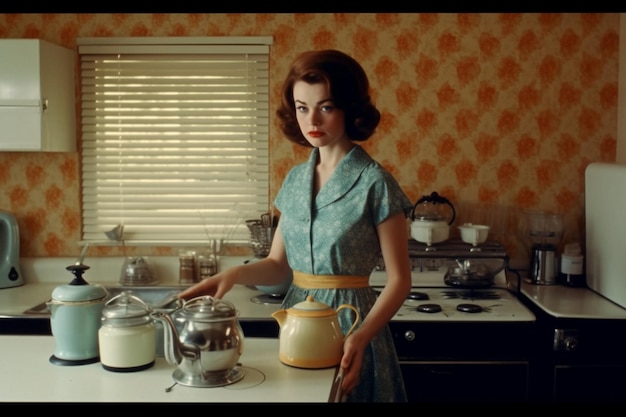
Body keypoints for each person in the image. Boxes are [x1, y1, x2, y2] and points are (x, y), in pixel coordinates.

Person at [178, 49, 413, 402]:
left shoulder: (375, 183)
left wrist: (361, 336)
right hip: (297, 321)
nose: (312, 119)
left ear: (349, 108)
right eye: (302, 107)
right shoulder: (295, 179)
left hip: (353, 323)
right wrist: (230, 275)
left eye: (326, 106)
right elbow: (276, 265)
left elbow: (400, 281)